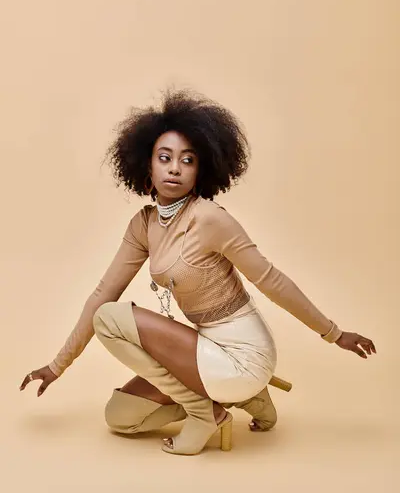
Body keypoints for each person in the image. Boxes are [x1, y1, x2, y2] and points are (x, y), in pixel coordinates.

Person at [20, 89, 376, 456]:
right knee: (121, 417)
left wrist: (334, 334)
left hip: (242, 354)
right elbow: (102, 291)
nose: (175, 167)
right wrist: (56, 366)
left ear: (201, 170)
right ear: (147, 167)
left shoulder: (209, 219)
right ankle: (245, 399)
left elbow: (271, 280)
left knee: (108, 319)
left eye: (187, 160)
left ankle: (205, 411)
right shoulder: (143, 225)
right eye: (165, 158)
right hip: (205, 348)